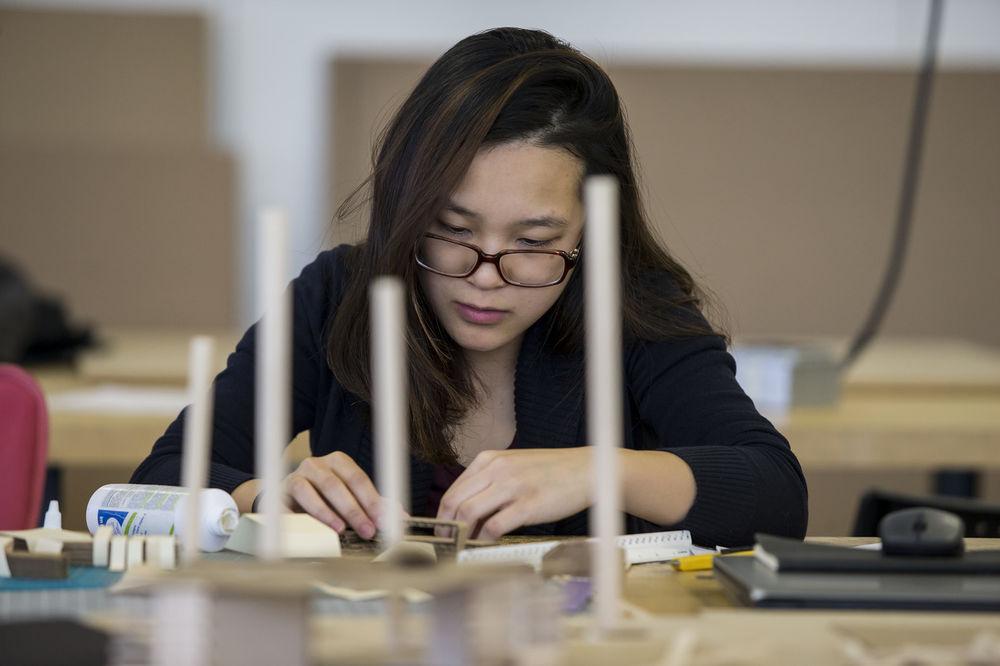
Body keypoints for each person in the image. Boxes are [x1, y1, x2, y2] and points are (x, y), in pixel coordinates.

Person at [131, 27, 808, 546]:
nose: (485, 279)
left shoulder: (634, 309)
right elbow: (159, 480)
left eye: (534, 244)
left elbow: (776, 493)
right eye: (453, 231)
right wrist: (260, 499)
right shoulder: (338, 298)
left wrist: (602, 468)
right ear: (408, 209)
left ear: (591, 231)